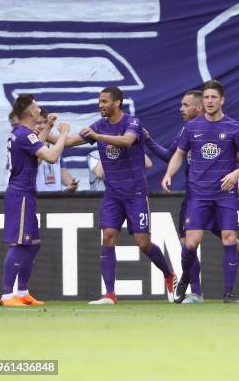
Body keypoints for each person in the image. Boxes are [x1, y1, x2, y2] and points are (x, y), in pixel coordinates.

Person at [56, 86, 177, 305]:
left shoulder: (132, 123)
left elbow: (127, 141)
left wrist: (97, 136)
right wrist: (47, 135)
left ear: (117, 103)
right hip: (112, 193)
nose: (100, 105)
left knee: (143, 243)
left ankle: (169, 275)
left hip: (135, 193)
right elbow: (71, 142)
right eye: (99, 101)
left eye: (104, 101)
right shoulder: (98, 125)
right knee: (108, 236)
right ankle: (109, 294)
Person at [146, 89, 239, 303]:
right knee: (190, 244)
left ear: (222, 100)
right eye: (206, 97)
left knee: (230, 240)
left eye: (213, 97)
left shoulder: (234, 127)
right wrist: (169, 174)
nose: (209, 101)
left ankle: (229, 294)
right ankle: (186, 279)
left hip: (225, 195)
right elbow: (178, 153)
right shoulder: (191, 128)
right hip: (198, 195)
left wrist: (236, 174)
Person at [0, 95, 70, 306]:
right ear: (30, 112)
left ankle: (22, 292)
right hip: (19, 195)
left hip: (25, 194)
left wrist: (48, 127)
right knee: (20, 244)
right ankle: (6, 295)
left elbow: (37, 153)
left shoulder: (22, 134)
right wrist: (64, 133)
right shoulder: (23, 134)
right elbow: (51, 157)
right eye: (36, 107)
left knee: (33, 245)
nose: (39, 109)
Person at [34, 108, 78, 192]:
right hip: (36, 198)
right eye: (39, 123)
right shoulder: (28, 144)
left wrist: (71, 184)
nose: (43, 126)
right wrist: (64, 132)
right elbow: (33, 164)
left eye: (45, 122)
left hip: (55, 200)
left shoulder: (55, 147)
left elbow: (63, 172)